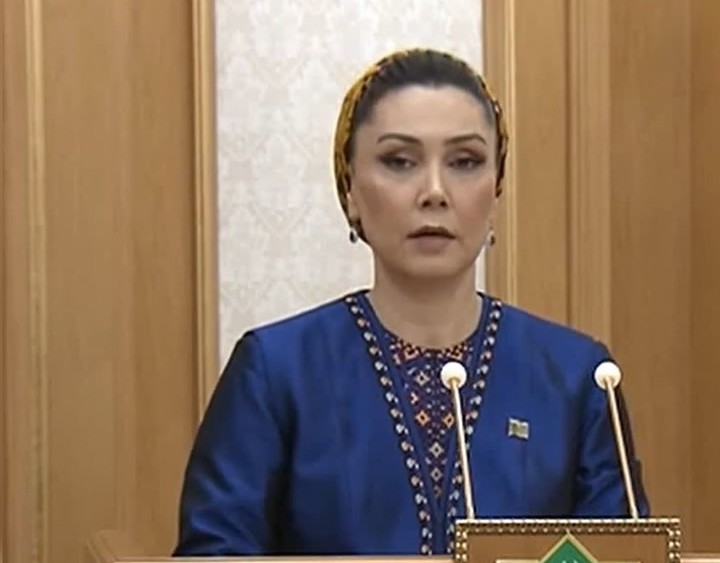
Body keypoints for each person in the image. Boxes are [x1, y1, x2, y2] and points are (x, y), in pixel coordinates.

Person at [173, 47, 649, 557]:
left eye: (465, 162)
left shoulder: (579, 378)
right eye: (400, 162)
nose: (434, 192)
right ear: (351, 189)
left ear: (496, 189)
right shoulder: (276, 372)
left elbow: (621, 553)